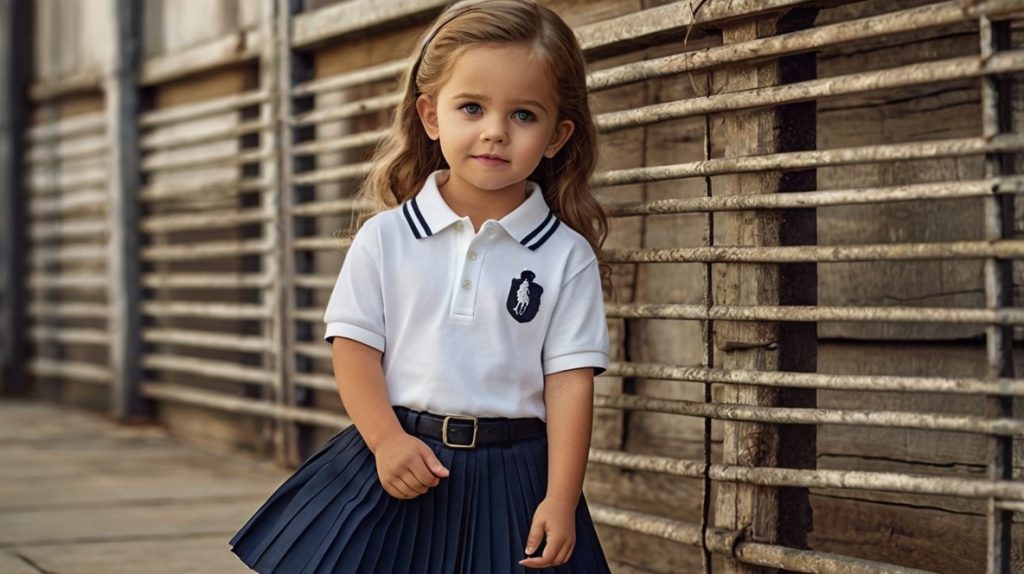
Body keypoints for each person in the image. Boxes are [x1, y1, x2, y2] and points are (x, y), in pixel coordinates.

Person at [229, 1, 611, 571]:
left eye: (524, 116)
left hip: (515, 477)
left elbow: (570, 385)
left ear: (557, 135)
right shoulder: (386, 238)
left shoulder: (566, 256)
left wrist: (560, 498)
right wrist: (385, 441)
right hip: (398, 460)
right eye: (472, 107)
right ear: (432, 117)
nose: (495, 132)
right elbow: (355, 348)